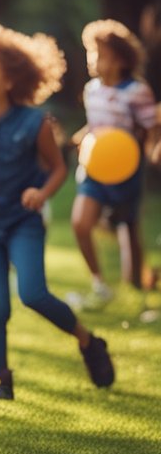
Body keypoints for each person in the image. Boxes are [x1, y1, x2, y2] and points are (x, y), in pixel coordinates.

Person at [0, 21, 115, 400]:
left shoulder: (35, 123)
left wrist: (41, 192)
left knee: (33, 294)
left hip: (24, 224)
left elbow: (57, 169)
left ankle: (88, 341)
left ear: (11, 79)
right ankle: (3, 379)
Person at [67, 20, 158, 307]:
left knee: (127, 225)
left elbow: (149, 125)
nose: (93, 60)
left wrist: (153, 148)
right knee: (80, 223)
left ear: (120, 60)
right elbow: (97, 124)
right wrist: (81, 136)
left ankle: (137, 281)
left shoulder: (137, 90)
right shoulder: (91, 89)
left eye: (100, 54)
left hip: (126, 170)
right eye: (91, 53)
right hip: (93, 167)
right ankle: (99, 283)